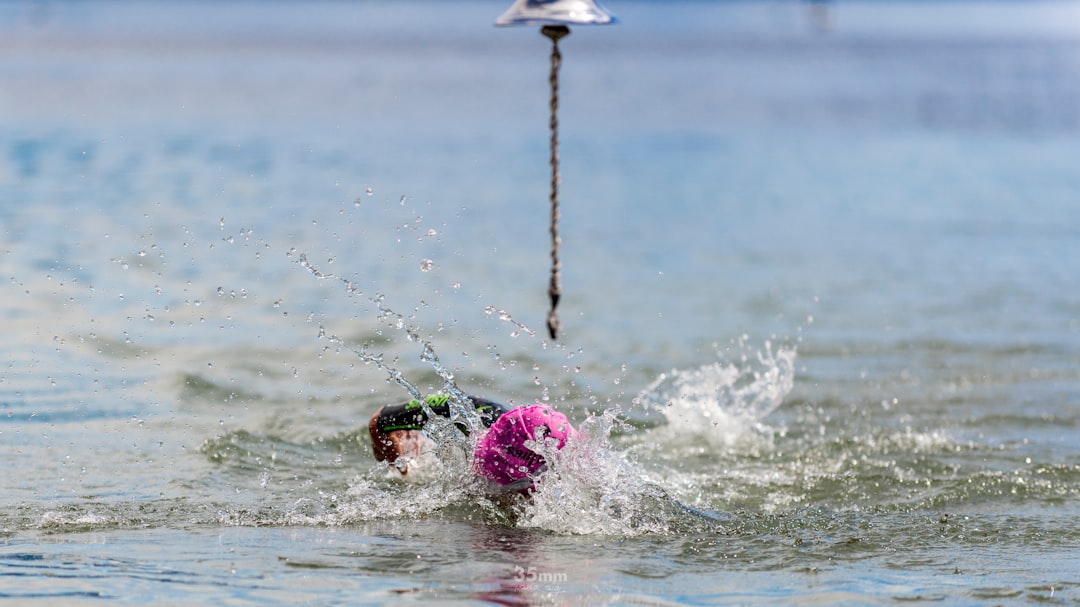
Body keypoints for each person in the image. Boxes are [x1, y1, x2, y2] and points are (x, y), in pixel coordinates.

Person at [368, 394, 575, 489]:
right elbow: (379, 419)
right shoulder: (478, 418)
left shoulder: (573, 469)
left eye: (513, 485)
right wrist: (396, 461)